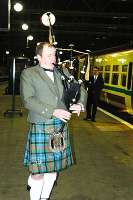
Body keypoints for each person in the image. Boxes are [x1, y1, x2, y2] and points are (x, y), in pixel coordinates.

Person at [20, 42, 87, 200]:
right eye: (49, 55)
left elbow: (80, 88)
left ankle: (44, 197)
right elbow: (28, 100)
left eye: (54, 54)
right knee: (37, 172)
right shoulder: (29, 74)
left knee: (52, 169)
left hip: (60, 126)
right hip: (41, 125)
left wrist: (80, 103)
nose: (53, 58)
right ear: (38, 56)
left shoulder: (62, 72)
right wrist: (53, 111)